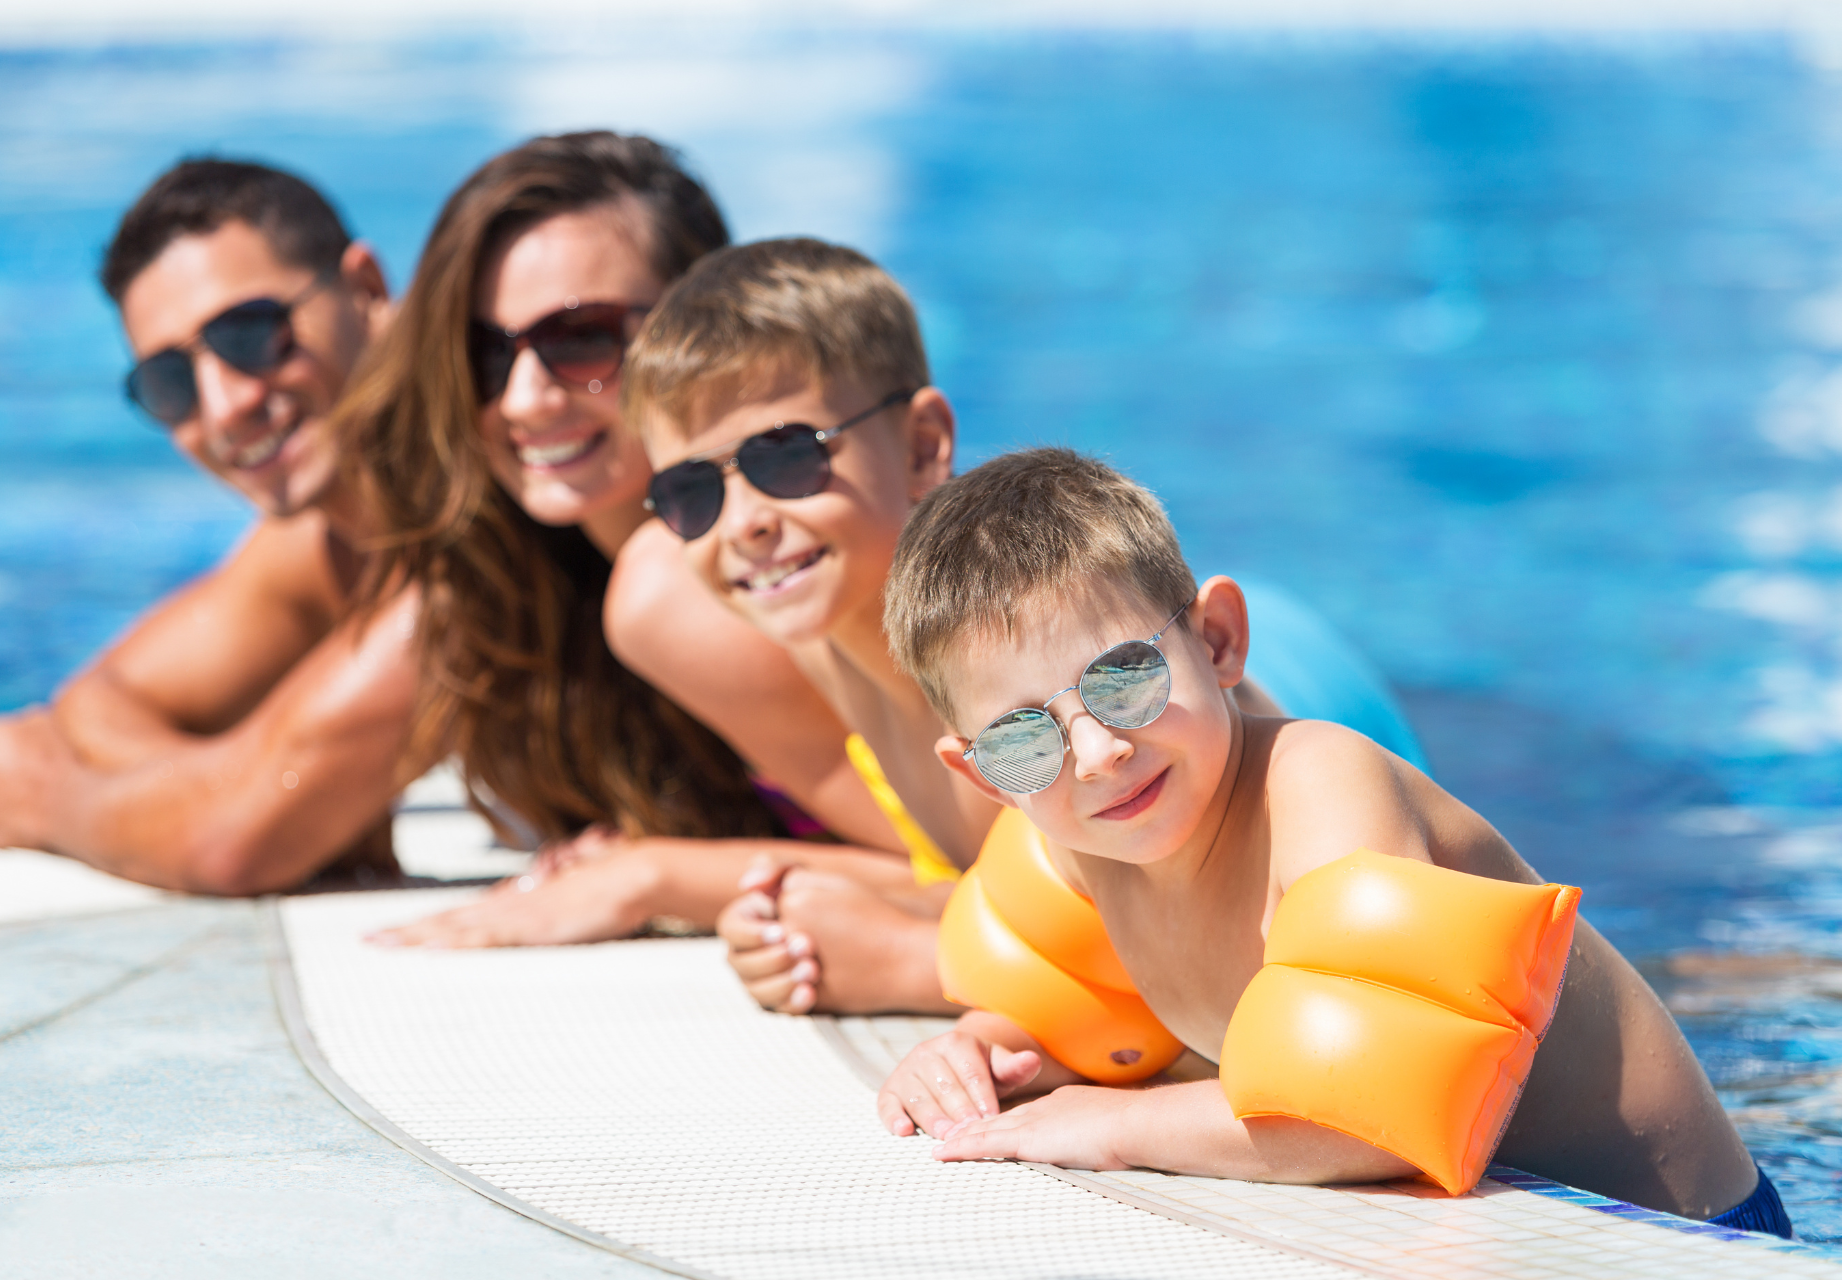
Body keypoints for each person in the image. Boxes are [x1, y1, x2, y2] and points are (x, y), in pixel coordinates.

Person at [870, 447, 1788, 1234]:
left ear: (1219, 640)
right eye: (1028, 740)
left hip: (1682, 1236)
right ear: (985, 773)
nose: (1101, 753)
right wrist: (982, 1050)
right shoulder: (1079, 845)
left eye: (1124, 679)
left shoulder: (1322, 789)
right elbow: (1080, 1013)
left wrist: (1109, 1124)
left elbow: (1368, 1116)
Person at [619, 237, 1293, 1014]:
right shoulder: (807, 623)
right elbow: (979, 878)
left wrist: (919, 961)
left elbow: (1220, 945)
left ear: (922, 445)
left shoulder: (1041, 680)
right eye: (689, 493)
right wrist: (778, 904)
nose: (743, 524)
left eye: (785, 458)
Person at [332, 134, 916, 953]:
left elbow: (953, 872)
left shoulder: (683, 580)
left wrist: (653, 876)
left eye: (581, 339)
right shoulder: (548, 585)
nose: (527, 398)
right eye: (486, 354)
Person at [0, 159, 420, 894]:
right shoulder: (325, 546)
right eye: (170, 382)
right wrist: (225, 784)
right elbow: (101, 700)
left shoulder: (483, 521)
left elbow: (233, 845)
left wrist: (42, 798)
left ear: (366, 290)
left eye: (251, 334)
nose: (225, 406)